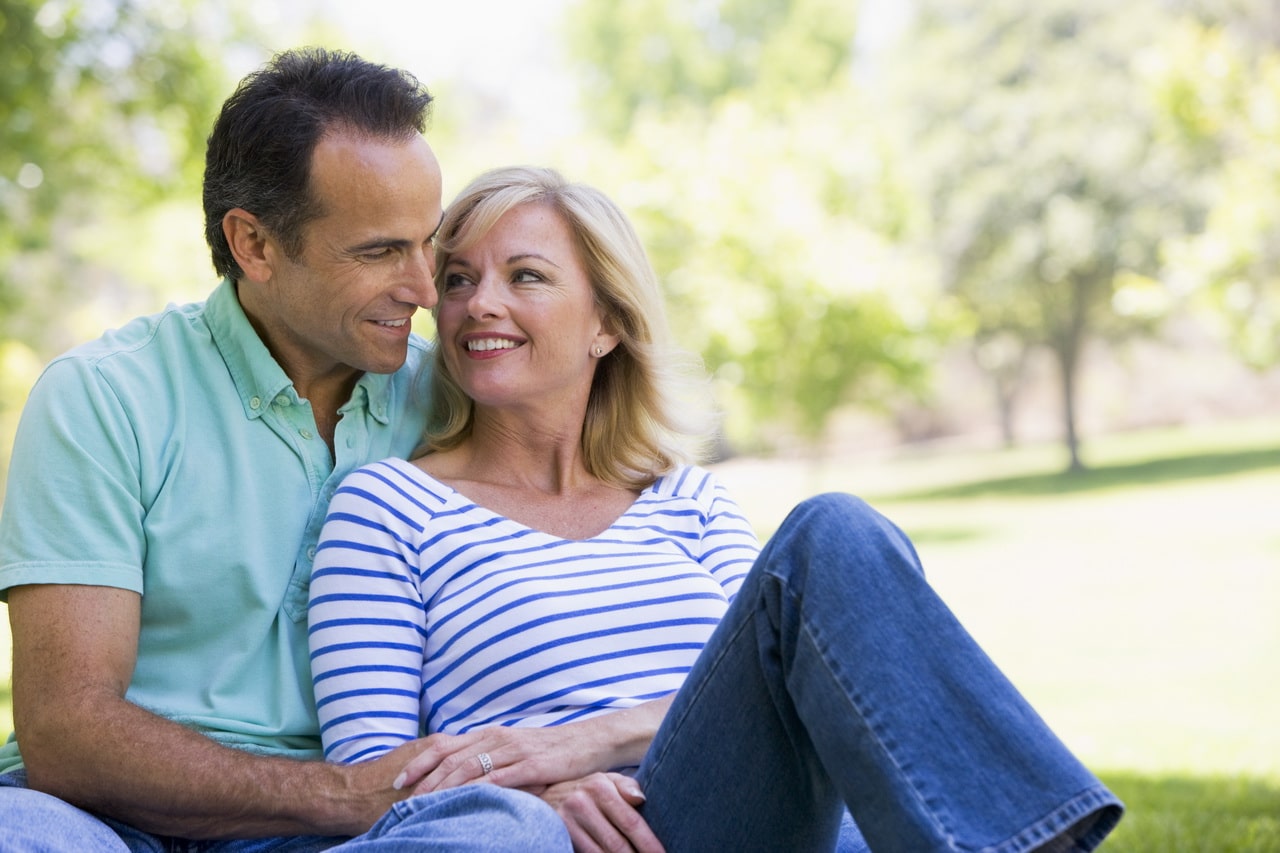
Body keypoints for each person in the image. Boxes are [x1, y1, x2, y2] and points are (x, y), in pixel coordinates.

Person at [307, 165, 1125, 852]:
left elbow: (790, 690)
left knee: (834, 530)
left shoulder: (686, 498)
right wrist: (547, 798)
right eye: (458, 280)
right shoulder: (389, 506)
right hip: (552, 836)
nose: (478, 302)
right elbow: (378, 781)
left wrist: (586, 740)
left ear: (606, 326)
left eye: (525, 276)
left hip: (739, 817)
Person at [0, 49, 569, 851]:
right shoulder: (105, 397)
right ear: (255, 246)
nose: (423, 287)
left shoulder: (451, 398)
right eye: (378, 251)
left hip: (359, 831)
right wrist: (337, 793)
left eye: (426, 243)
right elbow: (66, 730)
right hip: (106, 819)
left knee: (513, 831)